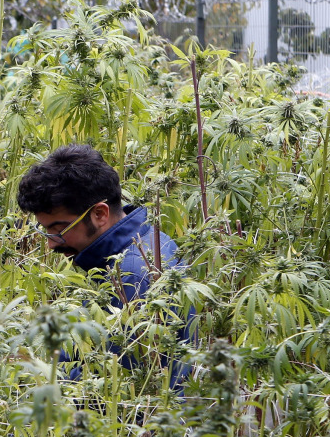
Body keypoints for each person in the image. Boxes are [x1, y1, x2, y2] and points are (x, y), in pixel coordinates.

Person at [16, 144, 196, 389]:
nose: (50, 244)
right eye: (45, 230)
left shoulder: (132, 276)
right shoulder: (147, 240)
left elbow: (115, 386)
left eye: (59, 230)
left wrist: (35, 373)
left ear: (100, 213)